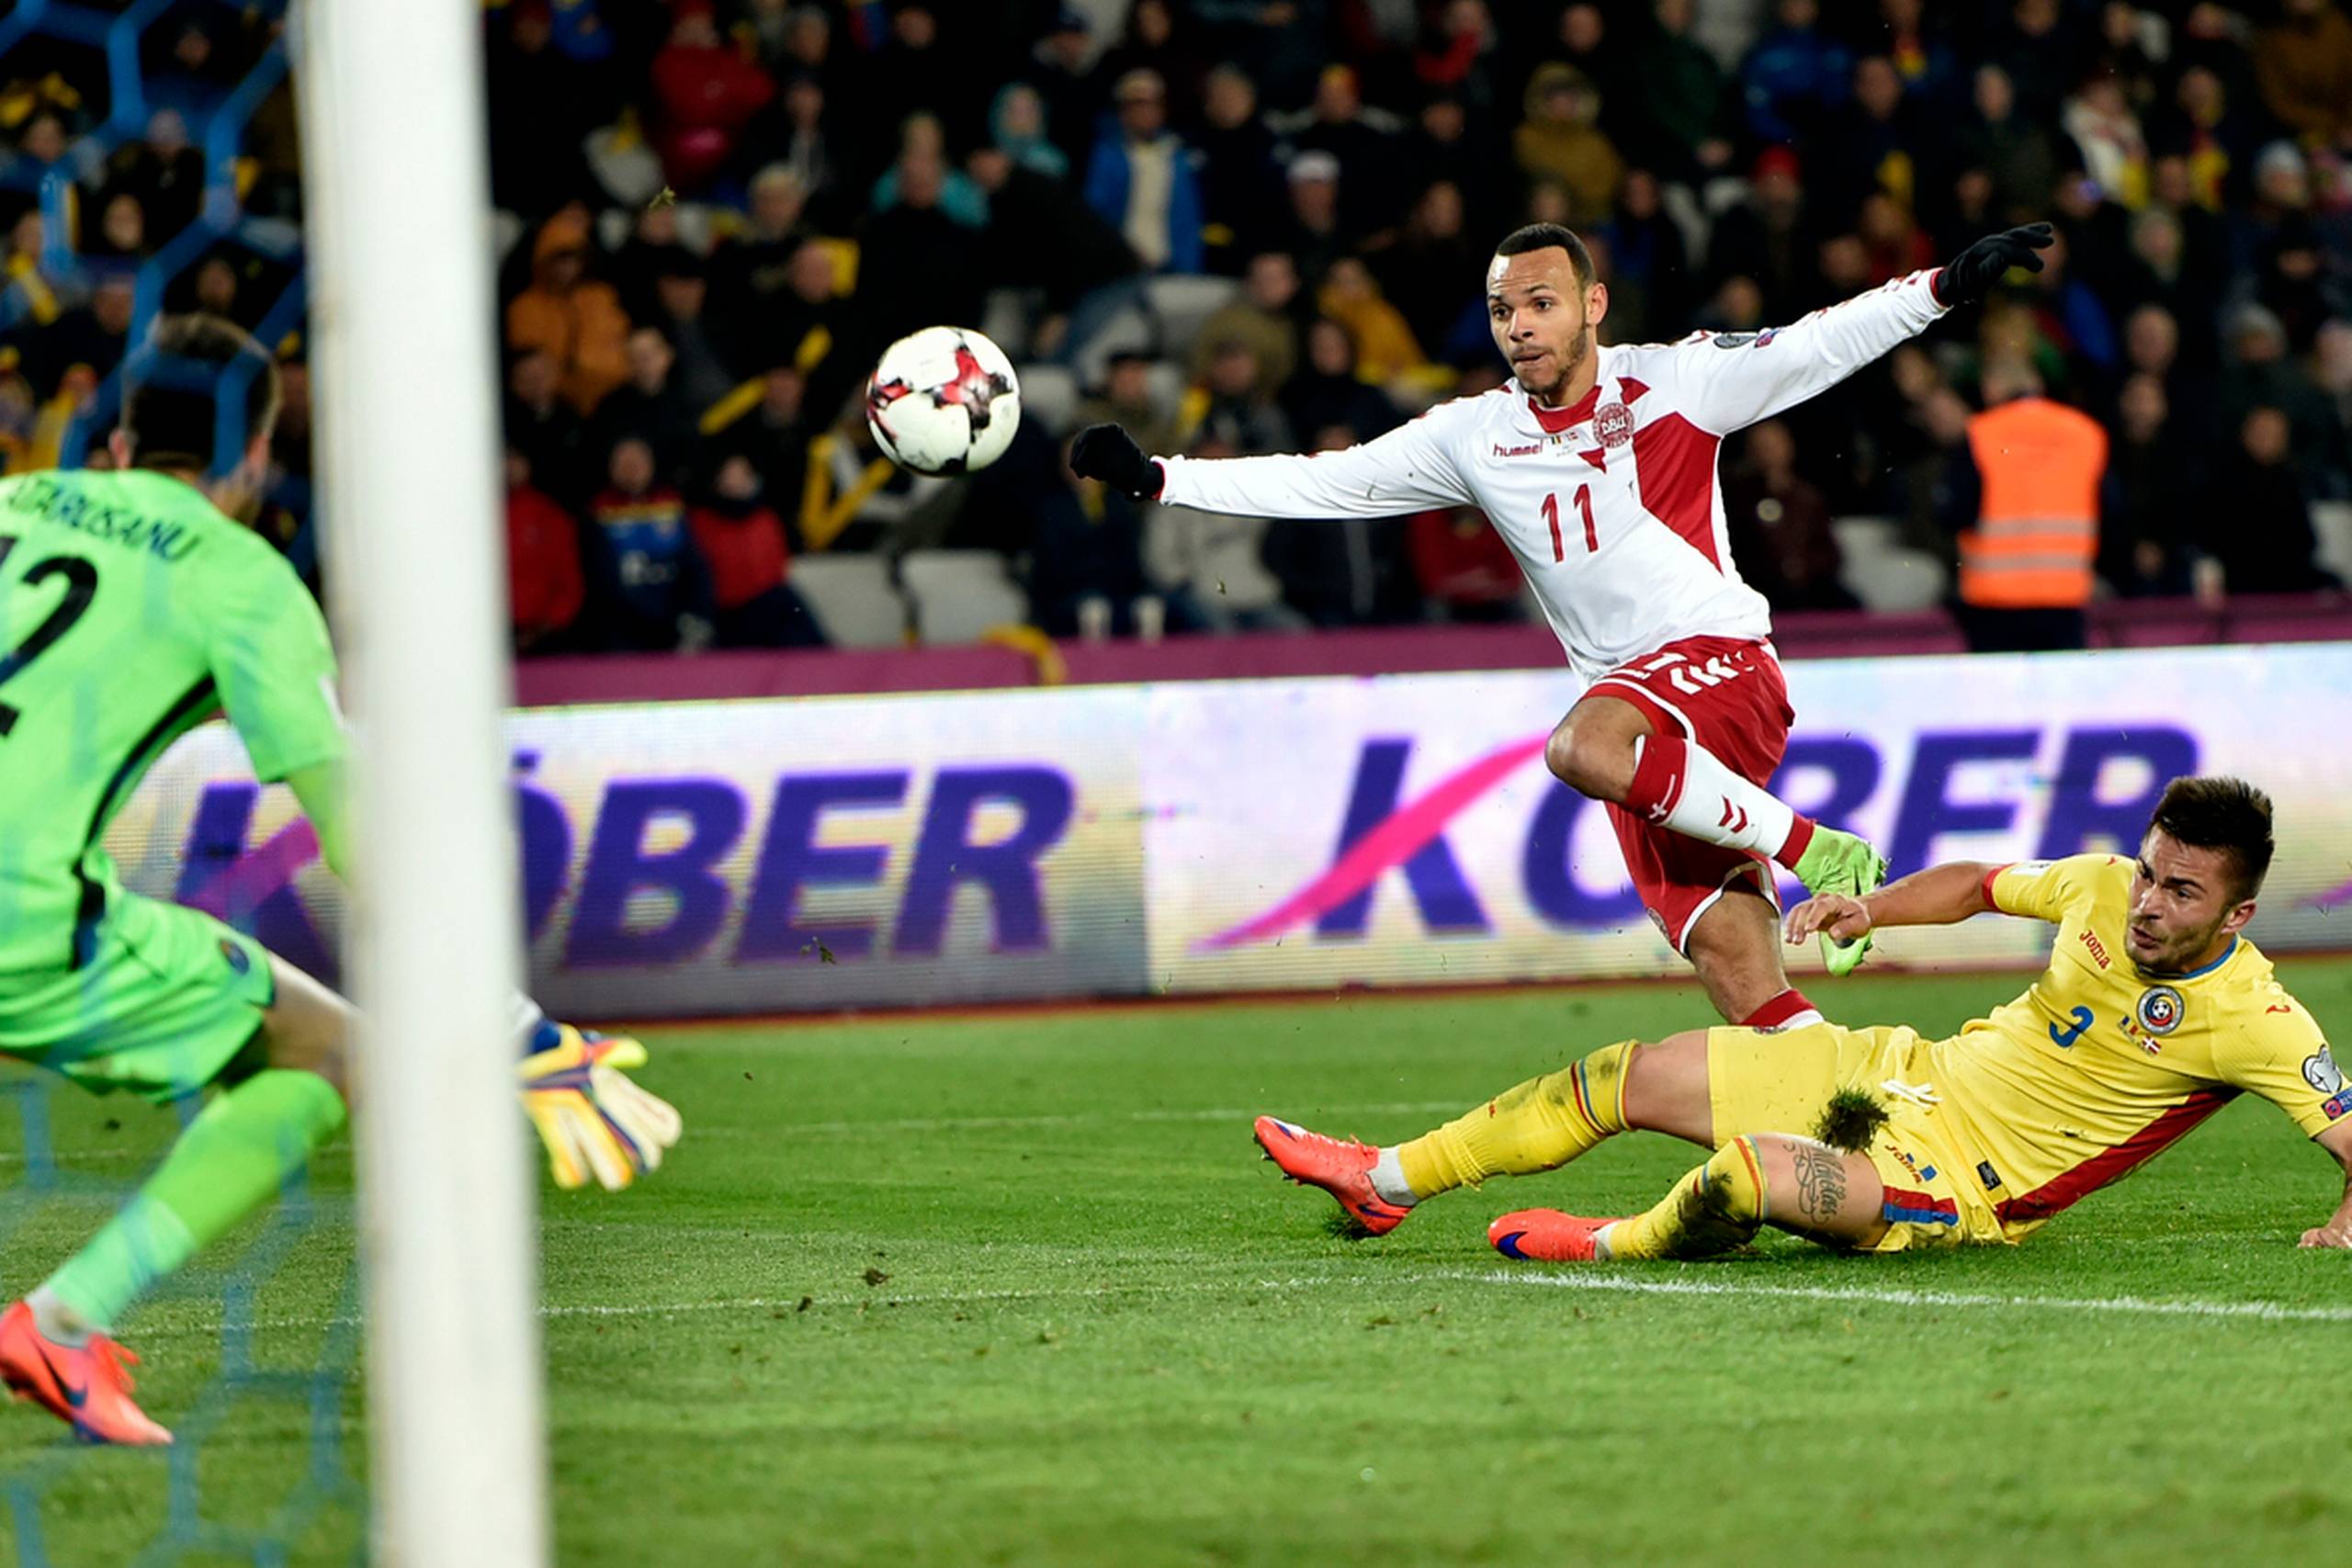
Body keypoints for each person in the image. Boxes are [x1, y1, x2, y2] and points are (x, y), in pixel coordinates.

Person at [1072, 219, 2056, 1024]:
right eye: (1503, 311)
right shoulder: (1473, 435)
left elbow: (1816, 343)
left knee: (1579, 744)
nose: (1519, 328)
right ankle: (1853, 1129)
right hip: (1646, 733)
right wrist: (1162, 478)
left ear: (1591, 305)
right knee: (1732, 962)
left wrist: (1940, 287)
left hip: (1716, 668)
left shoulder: (1679, 380)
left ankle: (1817, 849)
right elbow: (1327, 480)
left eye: (1540, 304)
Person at [0, 317, 681, 1447]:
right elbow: (360, 841)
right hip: (22, 922)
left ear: (113, 438)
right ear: (256, 459)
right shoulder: (240, 577)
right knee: (335, 1055)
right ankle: (64, 1320)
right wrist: (512, 1026)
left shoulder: (13, 505)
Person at [1256, 776, 2352, 1260]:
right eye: (2153, 876)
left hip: (1958, 1188)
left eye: (2182, 893)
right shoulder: (2101, 884)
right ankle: (1384, 1178)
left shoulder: (2256, 1017)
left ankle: (1606, 1245)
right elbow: (1976, 881)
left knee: (1745, 1177)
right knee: (1620, 1077)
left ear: (2238, 910)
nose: (2150, 905)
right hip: (1889, 1072)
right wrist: (1867, 905)